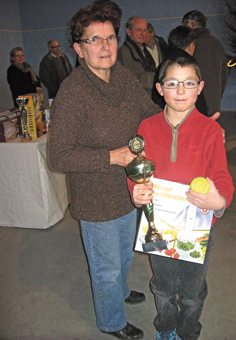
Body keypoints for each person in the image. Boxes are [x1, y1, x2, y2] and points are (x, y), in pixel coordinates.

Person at [49, 1, 160, 339]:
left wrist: (189, 124)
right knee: (106, 267)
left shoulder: (124, 78)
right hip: (96, 200)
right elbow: (58, 157)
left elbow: (151, 113)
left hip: (129, 190)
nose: (105, 46)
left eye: (110, 37)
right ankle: (111, 321)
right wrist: (112, 156)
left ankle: (122, 291)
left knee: (125, 253)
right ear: (78, 48)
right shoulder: (72, 92)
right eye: (93, 40)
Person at [128, 56, 234, 340]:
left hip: (198, 224)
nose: (180, 91)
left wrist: (219, 202)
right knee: (162, 285)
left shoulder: (210, 130)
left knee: (191, 289)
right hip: (158, 223)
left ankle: (188, 331)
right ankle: (165, 326)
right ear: (160, 88)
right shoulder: (147, 128)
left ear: (199, 87)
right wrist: (135, 191)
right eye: (172, 83)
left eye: (188, 83)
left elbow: (221, 176)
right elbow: (137, 170)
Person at [182, 10, 228, 116]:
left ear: (192, 24)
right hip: (214, 103)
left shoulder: (190, 44)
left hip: (195, 104)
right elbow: (224, 76)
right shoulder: (217, 43)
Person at [117, 16, 156, 99]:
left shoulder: (144, 51)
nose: (142, 33)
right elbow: (130, 81)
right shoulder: (124, 52)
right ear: (128, 31)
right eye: (138, 30)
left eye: (145, 30)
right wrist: (156, 77)